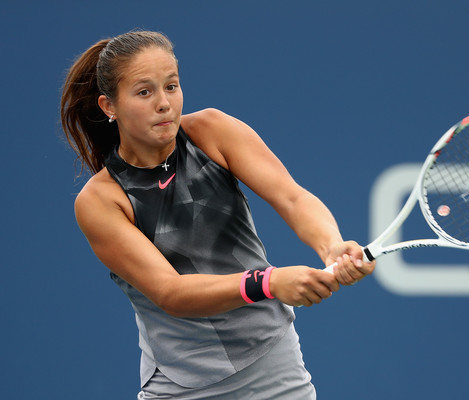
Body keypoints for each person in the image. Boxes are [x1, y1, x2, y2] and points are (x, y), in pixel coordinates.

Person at [60, 30, 374, 399]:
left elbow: (292, 198)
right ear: (109, 106)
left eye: (172, 86)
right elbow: (170, 292)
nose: (164, 103)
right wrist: (269, 282)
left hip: (273, 367)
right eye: (145, 92)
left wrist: (331, 246)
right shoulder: (100, 200)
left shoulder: (213, 131)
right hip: (181, 384)